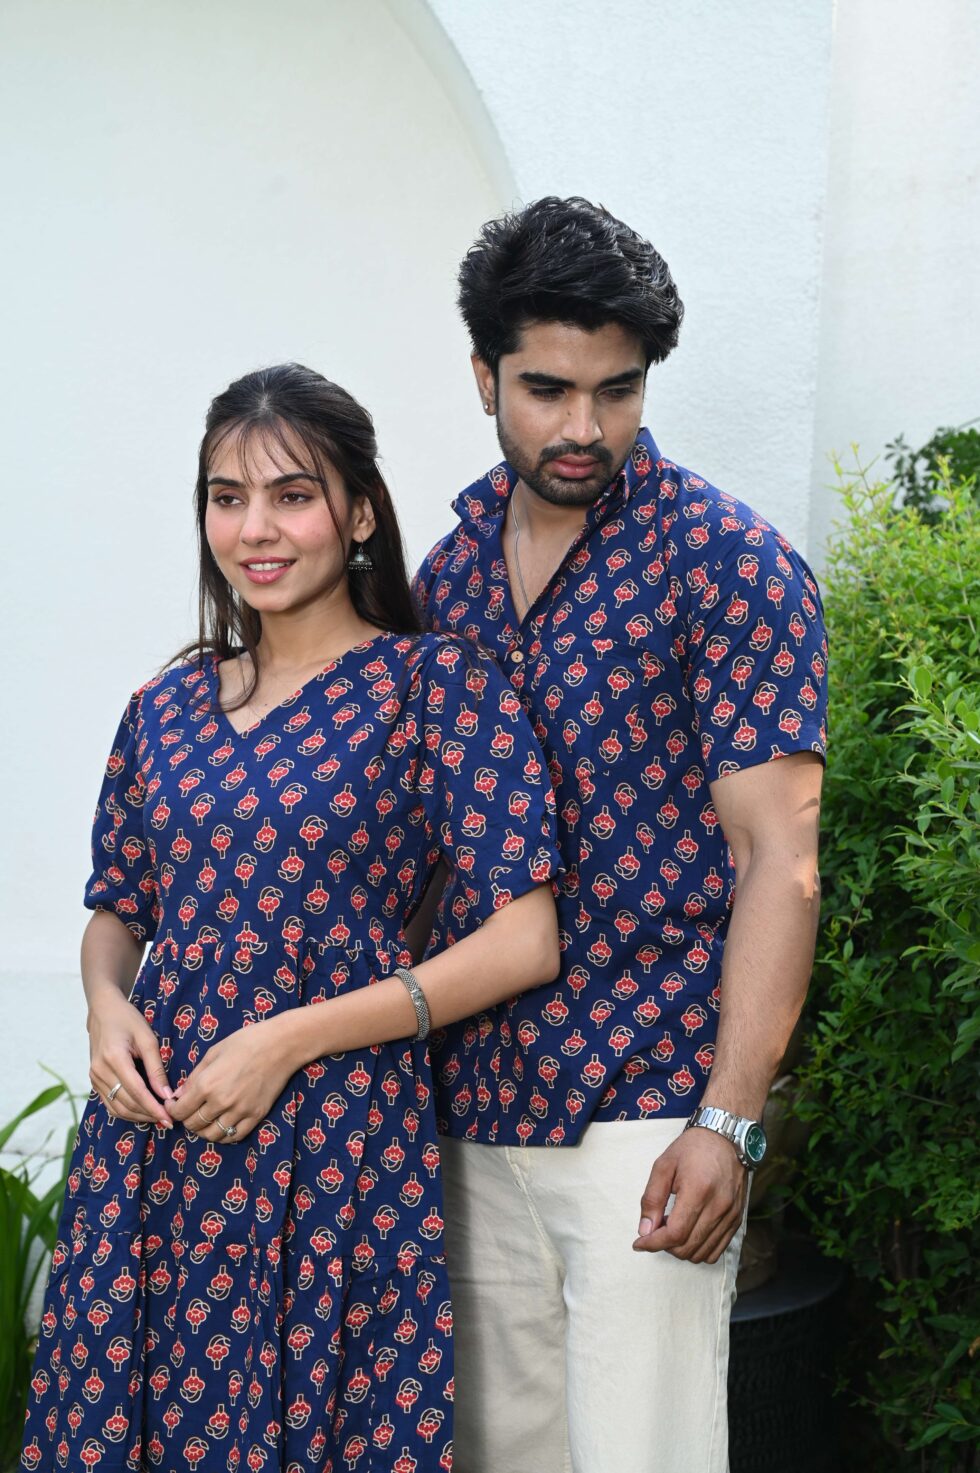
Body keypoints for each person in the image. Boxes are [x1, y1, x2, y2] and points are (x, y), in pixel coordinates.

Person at [20, 364, 562, 1473]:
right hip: (160, 1136)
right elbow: (119, 907)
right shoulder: (164, 706)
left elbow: (524, 938)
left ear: (358, 513)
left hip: (338, 1138)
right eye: (227, 498)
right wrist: (105, 1006)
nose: (255, 529)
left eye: (291, 495)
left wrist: (285, 1040)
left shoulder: (436, 688)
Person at [412, 197, 828, 1473]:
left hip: (646, 1112)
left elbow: (779, 860)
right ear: (482, 375)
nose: (582, 428)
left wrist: (729, 1120)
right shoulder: (445, 577)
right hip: (467, 1108)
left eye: (617, 389)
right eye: (545, 389)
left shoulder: (726, 563)